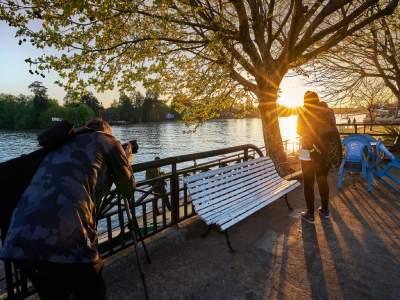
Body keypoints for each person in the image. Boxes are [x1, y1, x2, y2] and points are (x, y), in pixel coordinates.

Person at [0, 118, 135, 300]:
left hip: (17, 240)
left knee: (54, 294)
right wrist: (126, 159)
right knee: (92, 292)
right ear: (106, 132)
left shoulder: (62, 143)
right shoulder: (108, 141)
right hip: (69, 236)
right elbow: (127, 189)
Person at [297, 91, 340, 224]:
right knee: (322, 180)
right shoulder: (328, 112)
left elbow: (298, 130)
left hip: (307, 151)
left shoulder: (303, 113)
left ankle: (310, 214)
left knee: (308, 184)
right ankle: (325, 210)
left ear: (305, 101)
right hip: (324, 151)